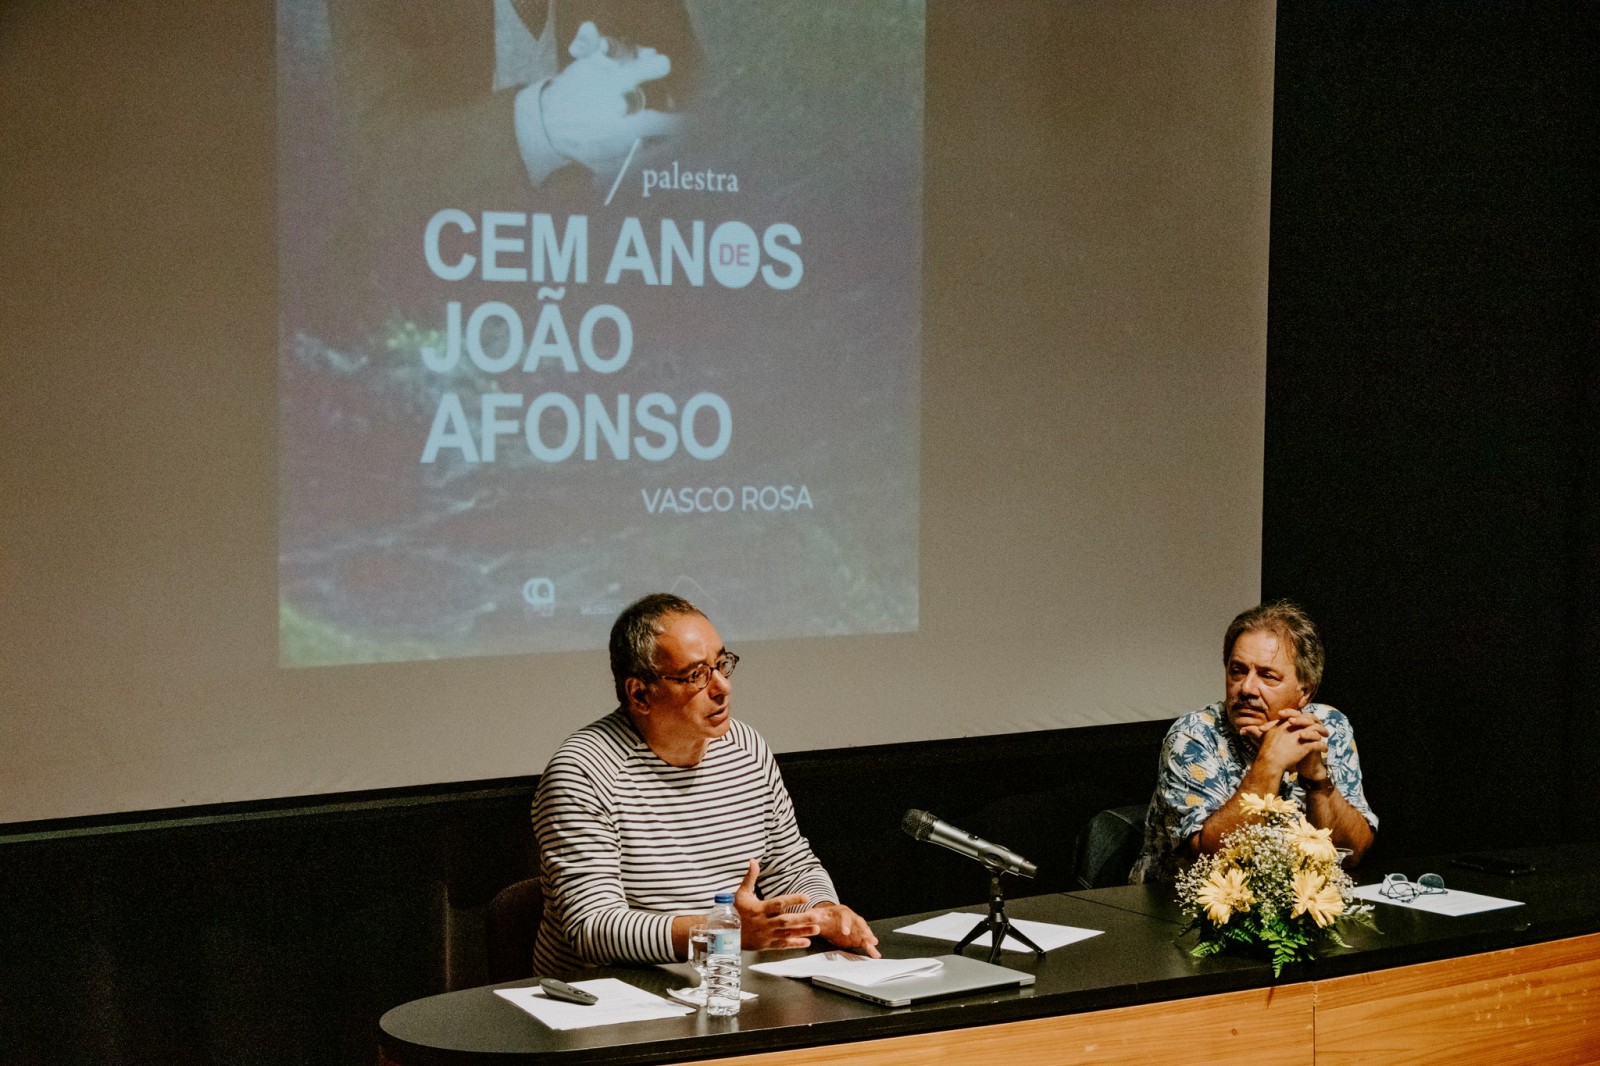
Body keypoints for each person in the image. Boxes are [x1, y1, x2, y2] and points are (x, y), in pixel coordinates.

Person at [531, 593, 880, 974]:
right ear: (640, 694)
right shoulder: (583, 771)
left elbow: (791, 866)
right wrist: (723, 932)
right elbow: (594, 929)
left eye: (722, 664)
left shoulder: (746, 748)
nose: (722, 687)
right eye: (697, 675)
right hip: (610, 996)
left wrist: (824, 912)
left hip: (724, 981)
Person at [1129, 601, 1377, 884]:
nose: (1246, 688)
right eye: (1237, 671)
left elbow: (1350, 855)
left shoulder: (1328, 727)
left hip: (1292, 900)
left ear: (1305, 691)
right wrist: (1269, 763)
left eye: (1267, 676)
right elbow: (1213, 861)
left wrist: (1317, 779)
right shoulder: (1193, 736)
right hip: (1180, 903)